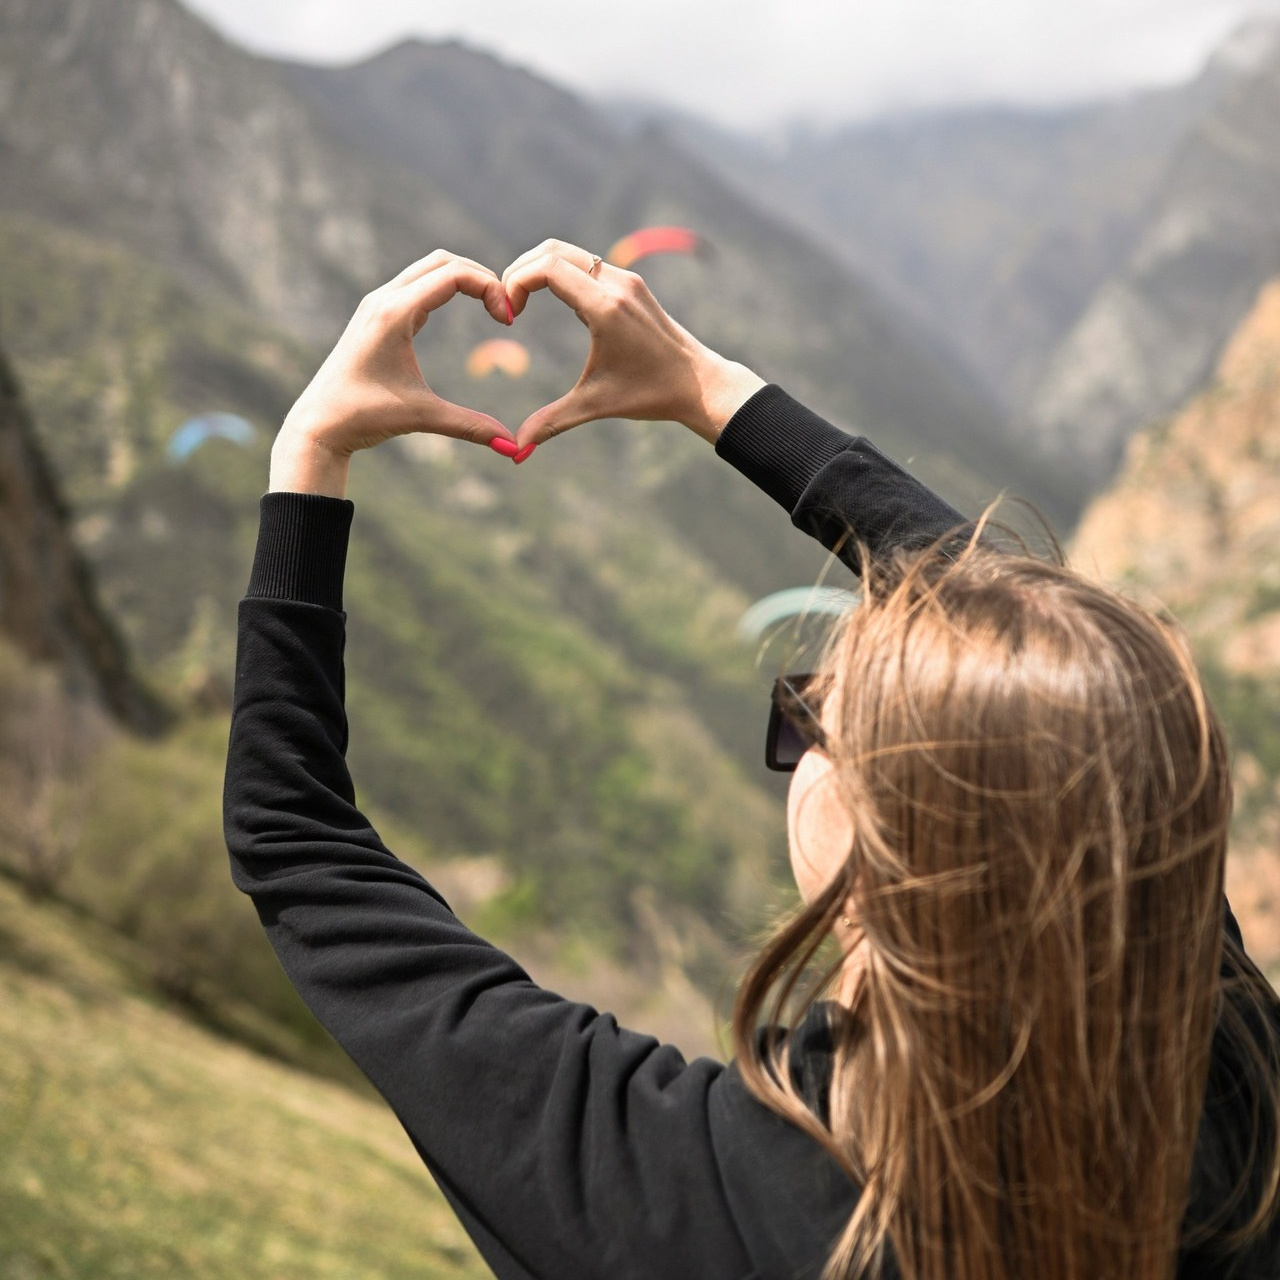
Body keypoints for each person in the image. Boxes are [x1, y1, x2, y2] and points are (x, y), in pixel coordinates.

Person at [223, 242, 1280, 1280]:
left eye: (812, 717)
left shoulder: (691, 1190)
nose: (796, 726)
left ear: (881, 845)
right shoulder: (1232, 1080)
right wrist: (711, 390)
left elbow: (296, 842)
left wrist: (309, 454)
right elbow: (1055, 668)